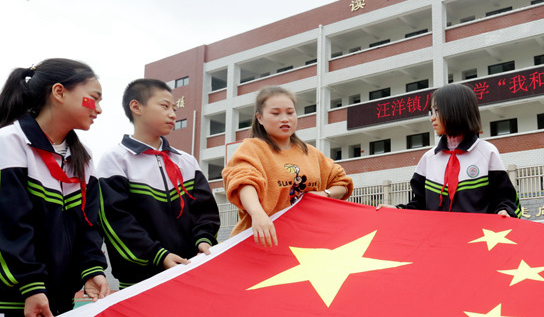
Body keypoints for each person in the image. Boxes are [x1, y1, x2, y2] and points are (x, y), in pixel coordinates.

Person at [0, 58, 110, 317]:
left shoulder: (83, 159)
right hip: (13, 300)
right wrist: (32, 286)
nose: (98, 109)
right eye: (94, 98)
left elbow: (90, 223)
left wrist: (92, 269)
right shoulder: (8, 143)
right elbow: (11, 225)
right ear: (59, 92)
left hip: (59, 301)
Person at [96, 79, 220, 289]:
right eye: (164, 106)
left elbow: (205, 211)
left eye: (173, 108)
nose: (173, 114)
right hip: (139, 281)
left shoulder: (186, 161)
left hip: (189, 271)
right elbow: (116, 220)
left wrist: (204, 239)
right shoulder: (115, 160)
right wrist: (158, 255)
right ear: (136, 107)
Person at [222, 86, 353, 247]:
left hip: (304, 242)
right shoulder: (252, 149)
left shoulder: (311, 153)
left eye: (290, 112)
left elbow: (342, 184)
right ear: (260, 118)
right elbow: (243, 181)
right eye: (276, 113)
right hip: (260, 241)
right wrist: (258, 214)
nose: (285, 119)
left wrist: (324, 194)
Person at [386, 84, 521, 216]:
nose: (432, 118)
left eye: (436, 111)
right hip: (438, 237)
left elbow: (505, 198)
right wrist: (397, 211)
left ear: (456, 110)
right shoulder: (428, 158)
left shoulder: (487, 152)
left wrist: (505, 211)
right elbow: (420, 204)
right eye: (430, 112)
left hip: (475, 236)